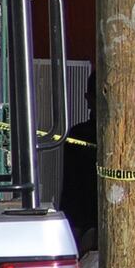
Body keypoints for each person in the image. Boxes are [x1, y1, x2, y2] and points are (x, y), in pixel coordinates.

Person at [59, 72, 98, 253]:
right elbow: (72, 184)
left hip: (82, 219)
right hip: (84, 220)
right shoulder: (78, 135)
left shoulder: (78, 133)